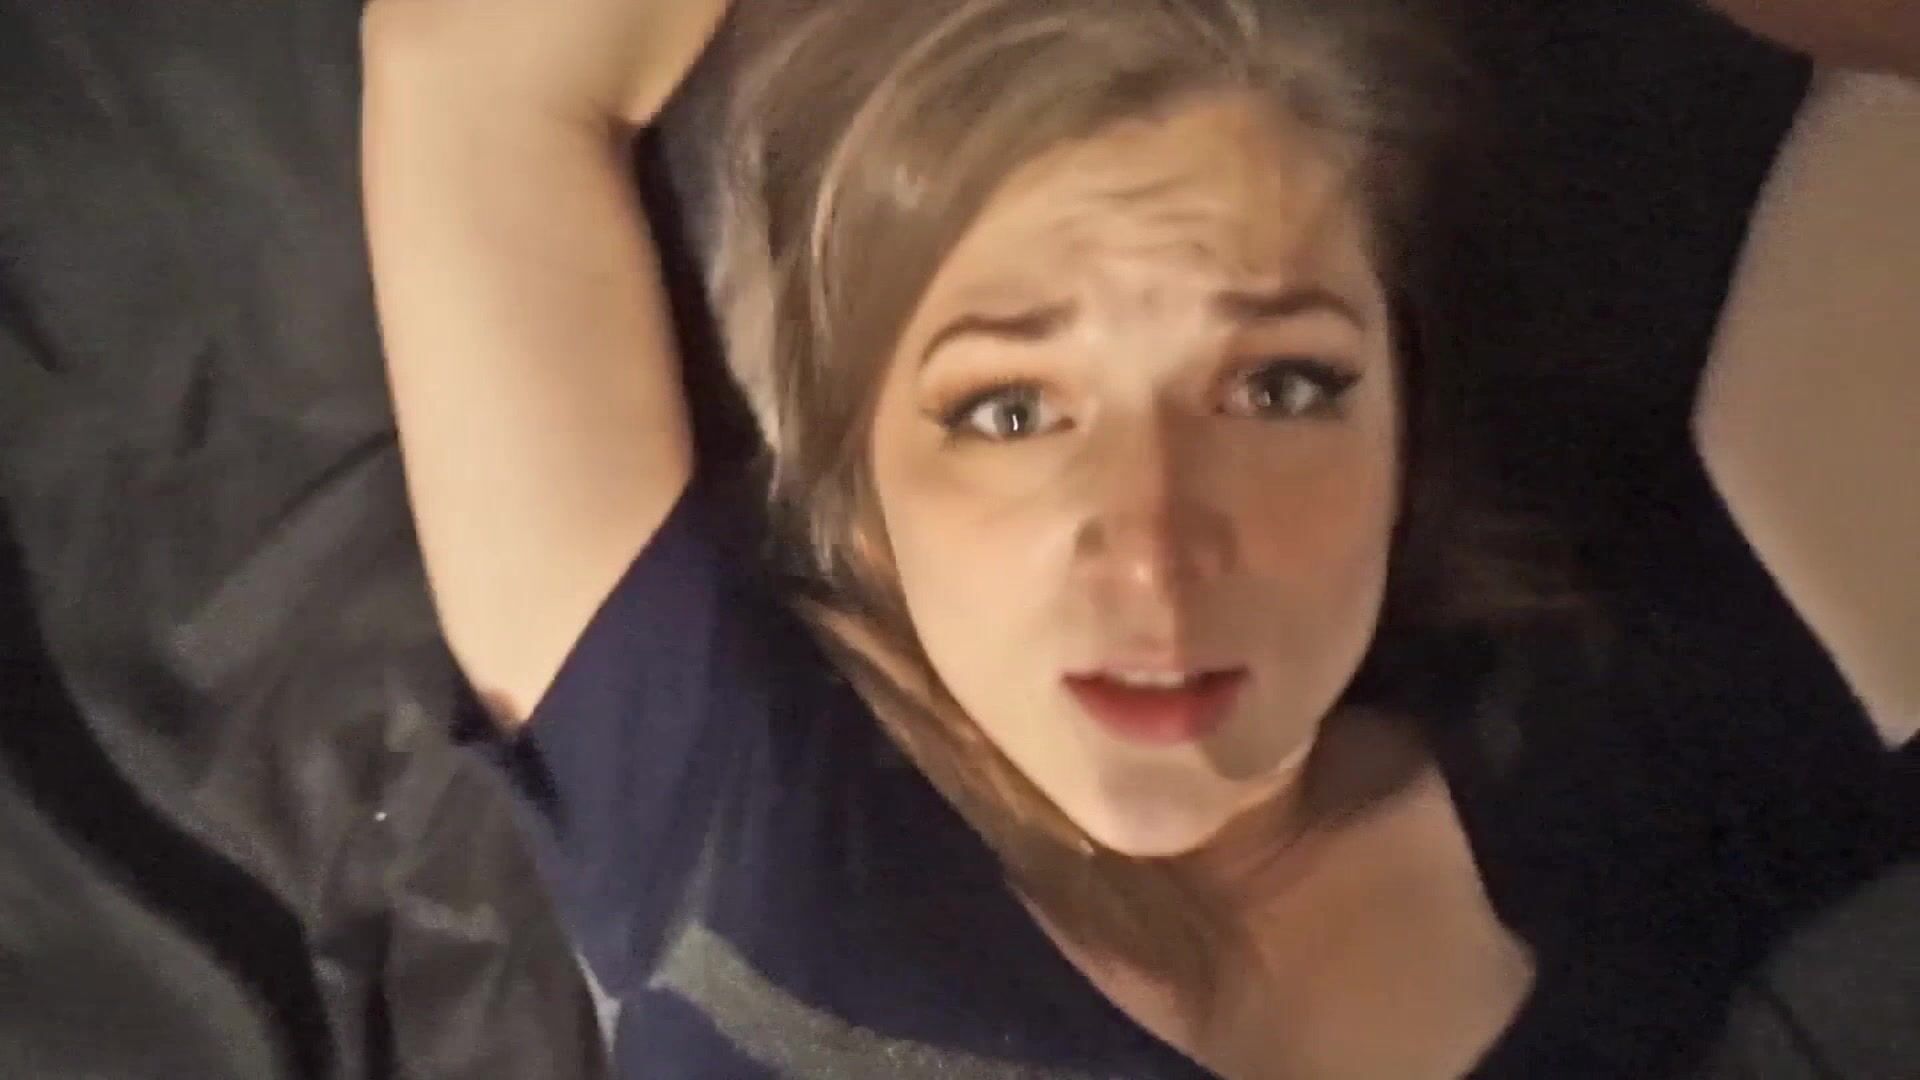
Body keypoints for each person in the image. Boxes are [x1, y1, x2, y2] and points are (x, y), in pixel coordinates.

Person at [360, 1, 1911, 1076]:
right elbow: (471, 76)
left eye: (1280, 386)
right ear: (859, 497)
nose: (1157, 559)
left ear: (1404, 423)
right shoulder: (720, 791)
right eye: (1009, 412)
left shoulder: (1650, 784)